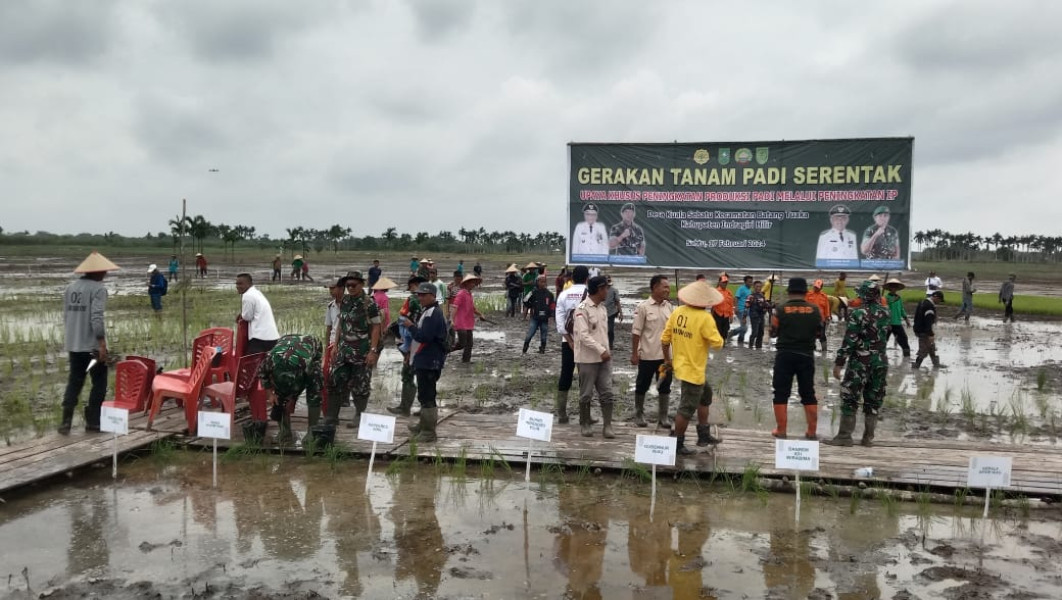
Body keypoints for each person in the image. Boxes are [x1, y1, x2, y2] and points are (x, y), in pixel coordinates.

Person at [661, 280, 725, 454]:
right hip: (694, 371)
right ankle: (677, 444)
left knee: (706, 395)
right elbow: (718, 344)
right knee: (686, 408)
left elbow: (665, 340)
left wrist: (668, 361)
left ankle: (703, 434)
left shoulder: (678, 312)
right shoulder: (705, 318)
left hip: (682, 366)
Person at [60, 251, 119, 434]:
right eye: (104, 271)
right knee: (99, 382)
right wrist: (102, 344)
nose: (106, 274)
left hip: (74, 345)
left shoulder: (70, 288)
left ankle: (65, 422)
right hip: (92, 348)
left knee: (74, 381)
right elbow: (96, 318)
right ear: (97, 272)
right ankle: (93, 422)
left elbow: (66, 316)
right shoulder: (99, 289)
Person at [826, 281, 891, 447]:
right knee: (874, 399)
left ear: (863, 295)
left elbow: (850, 341)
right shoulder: (886, 312)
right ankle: (868, 438)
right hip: (881, 361)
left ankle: (844, 437)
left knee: (850, 398)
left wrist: (839, 363)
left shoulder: (858, 314)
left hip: (860, 362)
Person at [769, 277, 822, 440]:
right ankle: (811, 431)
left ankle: (781, 430)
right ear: (806, 292)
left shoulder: (780, 309)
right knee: (808, 393)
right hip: (806, 355)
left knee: (781, 392)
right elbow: (819, 333)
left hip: (785, 355)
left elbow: (772, 333)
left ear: (789, 291)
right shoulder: (815, 310)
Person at [327, 271, 382, 429]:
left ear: (361, 285)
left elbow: (376, 327)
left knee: (360, 384)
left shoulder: (368, 303)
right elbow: (340, 325)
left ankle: (359, 415)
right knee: (335, 379)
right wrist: (335, 345)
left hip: (362, 350)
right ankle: (331, 416)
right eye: (347, 285)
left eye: (353, 285)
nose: (350, 288)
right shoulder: (344, 300)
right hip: (344, 349)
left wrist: (373, 350)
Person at [402, 282, 449, 442]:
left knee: (428, 396)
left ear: (433, 296)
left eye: (423, 295)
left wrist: (410, 326)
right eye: (419, 294)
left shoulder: (432, 313)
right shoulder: (428, 311)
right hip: (425, 360)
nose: (420, 297)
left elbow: (424, 337)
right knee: (424, 395)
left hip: (429, 361)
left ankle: (429, 432)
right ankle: (423, 425)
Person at [258, 334, 324, 444]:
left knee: (315, 389)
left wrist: (293, 398)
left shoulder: (305, 363)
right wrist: (270, 394)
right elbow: (262, 374)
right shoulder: (270, 361)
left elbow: (306, 383)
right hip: (286, 342)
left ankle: (312, 431)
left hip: (311, 345)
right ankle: (285, 433)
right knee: (280, 399)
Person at [573, 275, 616, 438]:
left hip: (604, 358)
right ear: (599, 289)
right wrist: (601, 350)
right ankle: (585, 423)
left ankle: (608, 426)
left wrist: (607, 351)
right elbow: (583, 336)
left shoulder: (602, 308)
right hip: (587, 359)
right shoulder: (582, 309)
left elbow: (603, 334)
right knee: (586, 393)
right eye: (606, 288)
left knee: (607, 392)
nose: (608, 291)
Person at [630, 274, 673, 428]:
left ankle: (663, 417)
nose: (667, 290)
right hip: (648, 355)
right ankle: (639, 414)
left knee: (665, 386)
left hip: (666, 357)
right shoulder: (643, 307)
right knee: (642, 385)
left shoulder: (668, 306)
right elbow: (636, 332)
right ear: (655, 288)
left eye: (668, 287)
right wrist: (635, 353)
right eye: (665, 287)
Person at [554, 265, 589, 424]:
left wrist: (569, 341)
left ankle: (561, 413)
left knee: (566, 374)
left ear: (572, 278)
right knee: (586, 377)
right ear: (587, 278)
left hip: (567, 341)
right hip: (587, 342)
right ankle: (585, 416)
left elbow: (560, 323)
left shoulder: (563, 295)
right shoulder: (590, 295)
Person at [389, 276, 426, 416]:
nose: (410, 290)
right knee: (423, 375)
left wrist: (409, 351)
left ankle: (405, 408)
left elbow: (412, 326)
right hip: (423, 344)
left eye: (411, 286)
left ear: (415, 285)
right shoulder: (427, 301)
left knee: (408, 374)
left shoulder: (414, 300)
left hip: (414, 344)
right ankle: (424, 407)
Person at [236, 273, 280, 355]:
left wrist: (241, 315)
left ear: (249, 284)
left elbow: (247, 317)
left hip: (260, 338)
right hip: (272, 337)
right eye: (237, 284)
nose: (237, 286)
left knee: (250, 365)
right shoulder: (257, 292)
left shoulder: (247, 295)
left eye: (240, 284)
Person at [450, 273, 485, 363]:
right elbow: (455, 306)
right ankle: (446, 350)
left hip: (468, 323)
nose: (474, 284)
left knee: (469, 344)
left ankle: (466, 361)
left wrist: (480, 314)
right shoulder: (461, 293)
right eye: (472, 282)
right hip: (461, 323)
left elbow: (472, 308)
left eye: (474, 283)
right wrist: (452, 320)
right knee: (462, 344)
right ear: (467, 283)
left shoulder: (469, 294)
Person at [912, 290, 945, 369]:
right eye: (939, 300)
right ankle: (916, 367)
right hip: (924, 330)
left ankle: (936, 365)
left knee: (931, 347)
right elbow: (928, 321)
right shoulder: (929, 306)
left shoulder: (922, 302)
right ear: (936, 297)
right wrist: (930, 334)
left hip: (918, 328)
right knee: (923, 350)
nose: (939, 302)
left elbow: (916, 317)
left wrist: (916, 328)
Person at [523, 275, 554, 354]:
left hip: (545, 318)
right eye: (541, 281)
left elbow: (552, 306)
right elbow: (525, 300)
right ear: (537, 282)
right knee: (530, 333)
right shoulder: (533, 292)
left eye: (544, 281)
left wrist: (551, 316)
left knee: (544, 334)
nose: (543, 283)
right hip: (535, 318)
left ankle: (542, 349)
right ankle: (525, 347)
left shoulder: (549, 294)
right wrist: (531, 306)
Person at [882, 279, 912, 358]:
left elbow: (902, 309)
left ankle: (907, 357)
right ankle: (880, 356)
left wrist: (906, 319)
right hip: (888, 323)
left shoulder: (898, 298)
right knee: (883, 341)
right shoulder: (885, 298)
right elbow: (884, 311)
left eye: (896, 287)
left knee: (904, 339)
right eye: (892, 287)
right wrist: (887, 323)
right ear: (890, 288)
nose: (894, 289)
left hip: (897, 323)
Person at [805, 279, 831, 353]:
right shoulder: (808, 294)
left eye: (817, 287)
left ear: (821, 287)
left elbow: (827, 307)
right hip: (810, 319)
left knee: (822, 335)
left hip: (821, 320)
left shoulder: (824, 296)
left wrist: (827, 317)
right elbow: (804, 305)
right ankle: (809, 350)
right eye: (815, 287)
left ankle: (824, 351)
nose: (815, 288)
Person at [746, 280, 771, 350]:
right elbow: (747, 306)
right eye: (757, 286)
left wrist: (768, 306)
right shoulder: (751, 296)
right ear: (754, 287)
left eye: (760, 286)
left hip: (761, 315)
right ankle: (750, 346)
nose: (758, 288)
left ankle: (758, 346)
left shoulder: (762, 296)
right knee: (755, 332)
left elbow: (766, 305)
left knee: (761, 332)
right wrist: (744, 316)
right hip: (754, 316)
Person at [729, 275, 753, 346]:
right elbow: (736, 298)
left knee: (744, 326)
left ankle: (740, 340)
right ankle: (732, 332)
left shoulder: (749, 290)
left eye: (751, 282)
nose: (750, 283)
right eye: (749, 282)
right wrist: (736, 307)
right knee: (744, 327)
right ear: (745, 282)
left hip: (747, 311)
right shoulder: (741, 288)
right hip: (740, 309)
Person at [711, 274, 735, 342]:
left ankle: (723, 343)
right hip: (718, 314)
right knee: (718, 330)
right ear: (719, 283)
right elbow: (712, 304)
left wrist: (731, 316)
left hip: (726, 315)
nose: (725, 284)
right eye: (723, 282)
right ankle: (718, 343)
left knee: (725, 330)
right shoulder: (715, 291)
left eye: (726, 283)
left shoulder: (729, 292)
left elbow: (731, 305)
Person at [603, 274, 622, 350]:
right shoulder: (600, 290)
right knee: (602, 329)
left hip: (611, 312)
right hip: (601, 312)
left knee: (610, 330)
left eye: (609, 281)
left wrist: (621, 313)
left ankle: (610, 344)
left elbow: (617, 302)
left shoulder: (614, 290)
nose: (608, 283)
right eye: (606, 281)